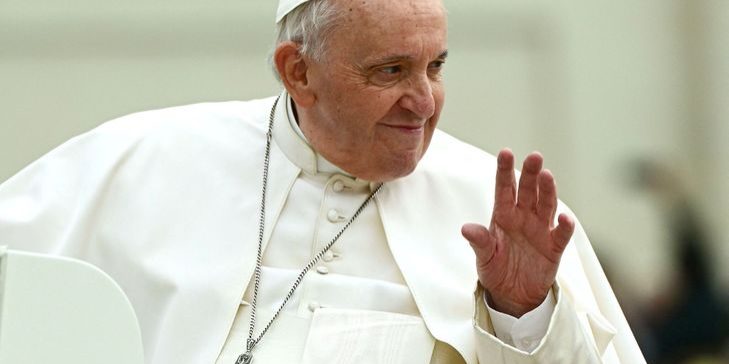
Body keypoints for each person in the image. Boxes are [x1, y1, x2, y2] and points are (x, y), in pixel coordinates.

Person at [0, 0, 644, 363]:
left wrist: (524, 317)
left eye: (436, 66)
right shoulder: (136, 160)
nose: (424, 102)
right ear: (297, 72)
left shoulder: (492, 203)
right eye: (390, 71)